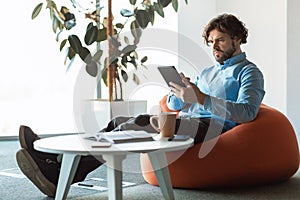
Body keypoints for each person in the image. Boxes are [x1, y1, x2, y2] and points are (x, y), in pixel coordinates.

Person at [16, 13, 265, 197]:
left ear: (237, 38)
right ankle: (57, 164)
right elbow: (177, 104)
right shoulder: (208, 71)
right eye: (210, 42)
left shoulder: (249, 72)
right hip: (187, 120)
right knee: (119, 122)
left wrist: (199, 97)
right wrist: (177, 92)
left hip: (211, 126)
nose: (214, 47)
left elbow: (247, 113)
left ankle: (58, 169)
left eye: (220, 40)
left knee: (137, 125)